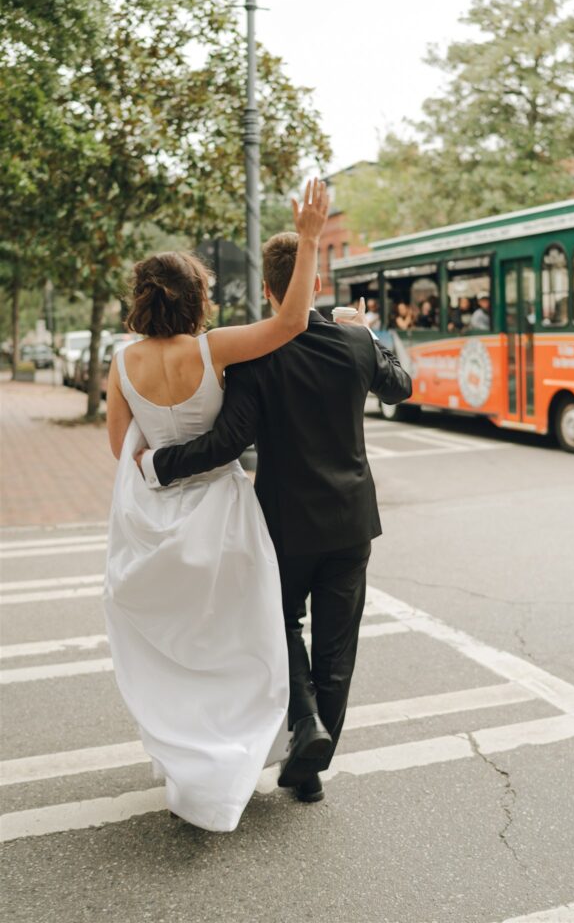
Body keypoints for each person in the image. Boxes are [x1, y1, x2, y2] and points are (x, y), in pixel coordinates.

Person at [135, 233, 412, 806]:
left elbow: (229, 441)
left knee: (282, 626)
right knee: (339, 645)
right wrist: (367, 333)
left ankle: (305, 720)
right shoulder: (354, 343)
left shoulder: (254, 356)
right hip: (352, 520)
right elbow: (401, 387)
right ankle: (311, 765)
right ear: (314, 284)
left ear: (266, 289)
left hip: (285, 522)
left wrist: (157, 464)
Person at [104, 179, 329, 832]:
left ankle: (188, 759)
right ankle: (238, 755)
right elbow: (290, 322)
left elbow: (123, 447)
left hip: (158, 519)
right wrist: (309, 237)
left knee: (181, 651)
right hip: (224, 513)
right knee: (238, 639)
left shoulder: (123, 363)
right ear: (199, 297)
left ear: (141, 301)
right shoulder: (214, 347)